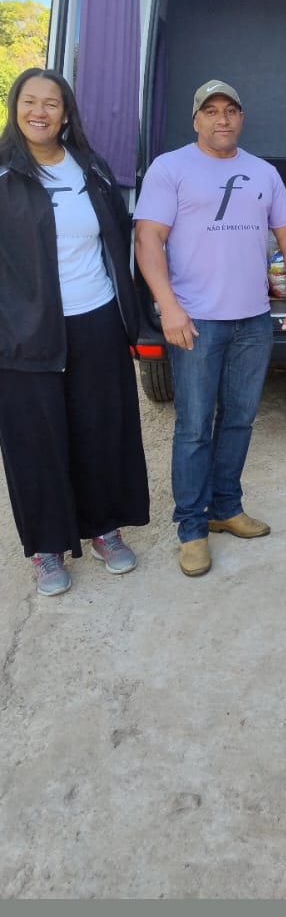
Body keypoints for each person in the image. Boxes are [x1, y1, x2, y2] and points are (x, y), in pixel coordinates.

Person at [134, 80, 286, 578]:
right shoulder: (171, 169)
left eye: (230, 110)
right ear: (196, 120)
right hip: (196, 321)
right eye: (210, 111)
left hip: (253, 319)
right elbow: (148, 240)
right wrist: (168, 307)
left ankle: (224, 508)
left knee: (238, 420)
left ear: (241, 117)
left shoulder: (262, 172)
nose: (222, 119)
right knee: (192, 429)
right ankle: (191, 528)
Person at [0, 68, 150, 596]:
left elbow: (117, 235)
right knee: (33, 442)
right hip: (24, 334)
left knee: (99, 427)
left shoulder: (91, 168)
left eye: (52, 103)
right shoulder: (3, 173)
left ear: (66, 115)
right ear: (16, 107)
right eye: (30, 101)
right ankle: (46, 548)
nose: (40, 112)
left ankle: (105, 529)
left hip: (96, 319)